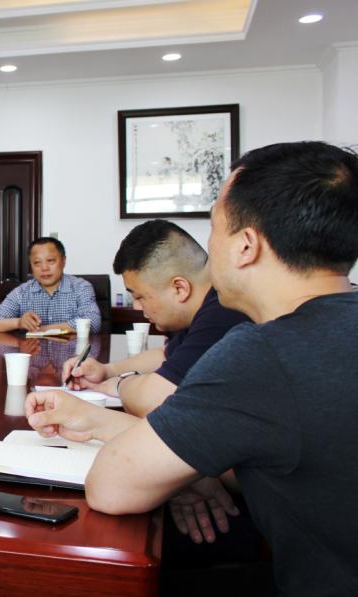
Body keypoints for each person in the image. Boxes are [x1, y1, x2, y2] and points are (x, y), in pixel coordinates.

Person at [26, 142, 358, 595]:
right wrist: (198, 468)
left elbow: (111, 487)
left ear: (245, 245)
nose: (207, 249)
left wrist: (178, 463)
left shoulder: (263, 352)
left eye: (213, 227)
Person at [62, 220, 249, 416]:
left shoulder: (224, 312)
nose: (136, 306)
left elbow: (151, 401)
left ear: (179, 288)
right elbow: (165, 355)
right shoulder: (207, 304)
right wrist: (107, 371)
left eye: (139, 296)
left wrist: (120, 384)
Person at [0, 237, 101, 334]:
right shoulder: (21, 292)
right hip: (34, 352)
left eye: (50, 261)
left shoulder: (81, 287)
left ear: (63, 261)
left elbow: (93, 322)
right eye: (37, 262)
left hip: (72, 352)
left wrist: (42, 330)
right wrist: (19, 323)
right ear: (31, 265)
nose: (44, 268)